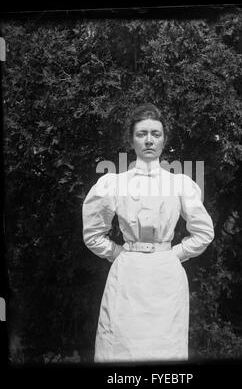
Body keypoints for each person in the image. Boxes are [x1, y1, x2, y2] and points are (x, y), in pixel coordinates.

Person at [82, 103, 214, 363]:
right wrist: (120, 253)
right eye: (142, 134)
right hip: (128, 275)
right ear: (131, 139)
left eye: (156, 133)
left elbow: (203, 232)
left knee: (165, 350)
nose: (149, 140)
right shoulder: (114, 184)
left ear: (164, 139)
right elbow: (93, 234)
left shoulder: (180, 184)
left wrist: (173, 254)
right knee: (121, 348)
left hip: (166, 277)